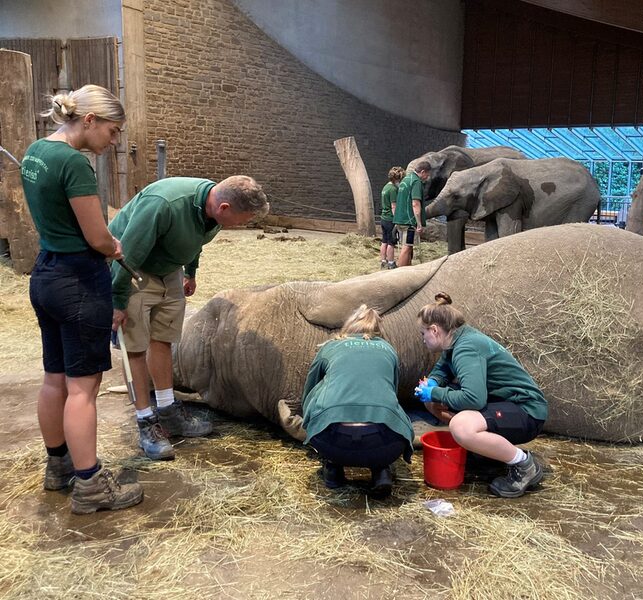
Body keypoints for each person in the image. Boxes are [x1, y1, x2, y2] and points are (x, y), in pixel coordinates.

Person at [19, 84, 144, 514]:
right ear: (89, 120)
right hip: (77, 281)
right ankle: (90, 486)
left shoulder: (37, 151)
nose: (113, 142)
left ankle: (59, 466)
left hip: (46, 274)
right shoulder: (74, 162)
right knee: (83, 388)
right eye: (112, 131)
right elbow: (96, 235)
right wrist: (114, 246)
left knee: (54, 377)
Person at [109, 175, 269, 460]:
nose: (242, 226)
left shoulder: (214, 211)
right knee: (135, 345)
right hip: (133, 268)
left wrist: (189, 270)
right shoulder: (166, 203)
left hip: (167, 267)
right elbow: (129, 252)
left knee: (164, 338)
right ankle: (146, 422)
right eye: (242, 220)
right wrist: (117, 300)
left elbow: (198, 239)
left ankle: (169, 412)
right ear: (224, 207)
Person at [415, 293, 548, 498]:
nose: (422, 339)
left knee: (461, 426)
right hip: (504, 404)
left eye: (423, 333)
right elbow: (442, 369)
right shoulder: (455, 339)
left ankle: (524, 465)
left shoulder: (466, 348)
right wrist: (432, 384)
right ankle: (483, 448)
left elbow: (473, 399)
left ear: (434, 330)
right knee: (434, 402)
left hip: (526, 410)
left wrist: (435, 392)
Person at [301, 305, 414, 497]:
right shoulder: (388, 349)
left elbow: (309, 388)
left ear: (349, 327)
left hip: (332, 442)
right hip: (385, 445)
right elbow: (392, 392)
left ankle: (333, 468)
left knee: (321, 394)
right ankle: (381, 471)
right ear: (378, 331)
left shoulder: (331, 346)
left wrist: (310, 421)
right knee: (388, 410)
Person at [392, 161, 431, 267]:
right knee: (407, 247)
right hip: (409, 222)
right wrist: (419, 224)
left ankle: (407, 271)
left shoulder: (405, 179)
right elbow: (415, 203)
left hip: (400, 220)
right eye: (427, 174)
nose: (427, 177)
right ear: (423, 172)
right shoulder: (416, 182)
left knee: (408, 247)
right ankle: (399, 275)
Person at [379, 166, 404, 269]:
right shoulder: (393, 189)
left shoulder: (385, 187)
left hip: (383, 218)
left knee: (384, 241)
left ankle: (383, 261)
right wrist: (397, 220)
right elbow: (394, 206)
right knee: (391, 242)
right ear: (397, 178)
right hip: (390, 219)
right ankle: (391, 262)